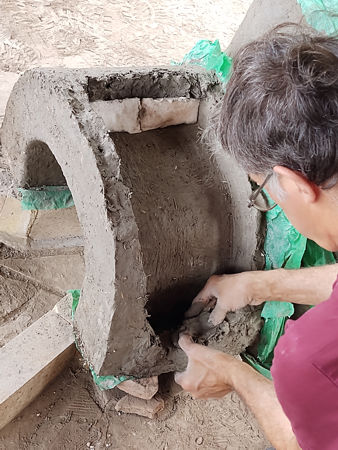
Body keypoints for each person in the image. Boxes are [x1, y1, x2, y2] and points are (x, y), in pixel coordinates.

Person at [174, 26, 338, 450]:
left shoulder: (310, 358)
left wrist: (235, 375)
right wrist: (259, 284)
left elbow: (304, 441)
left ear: (294, 184)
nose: (271, 202)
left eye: (263, 191)